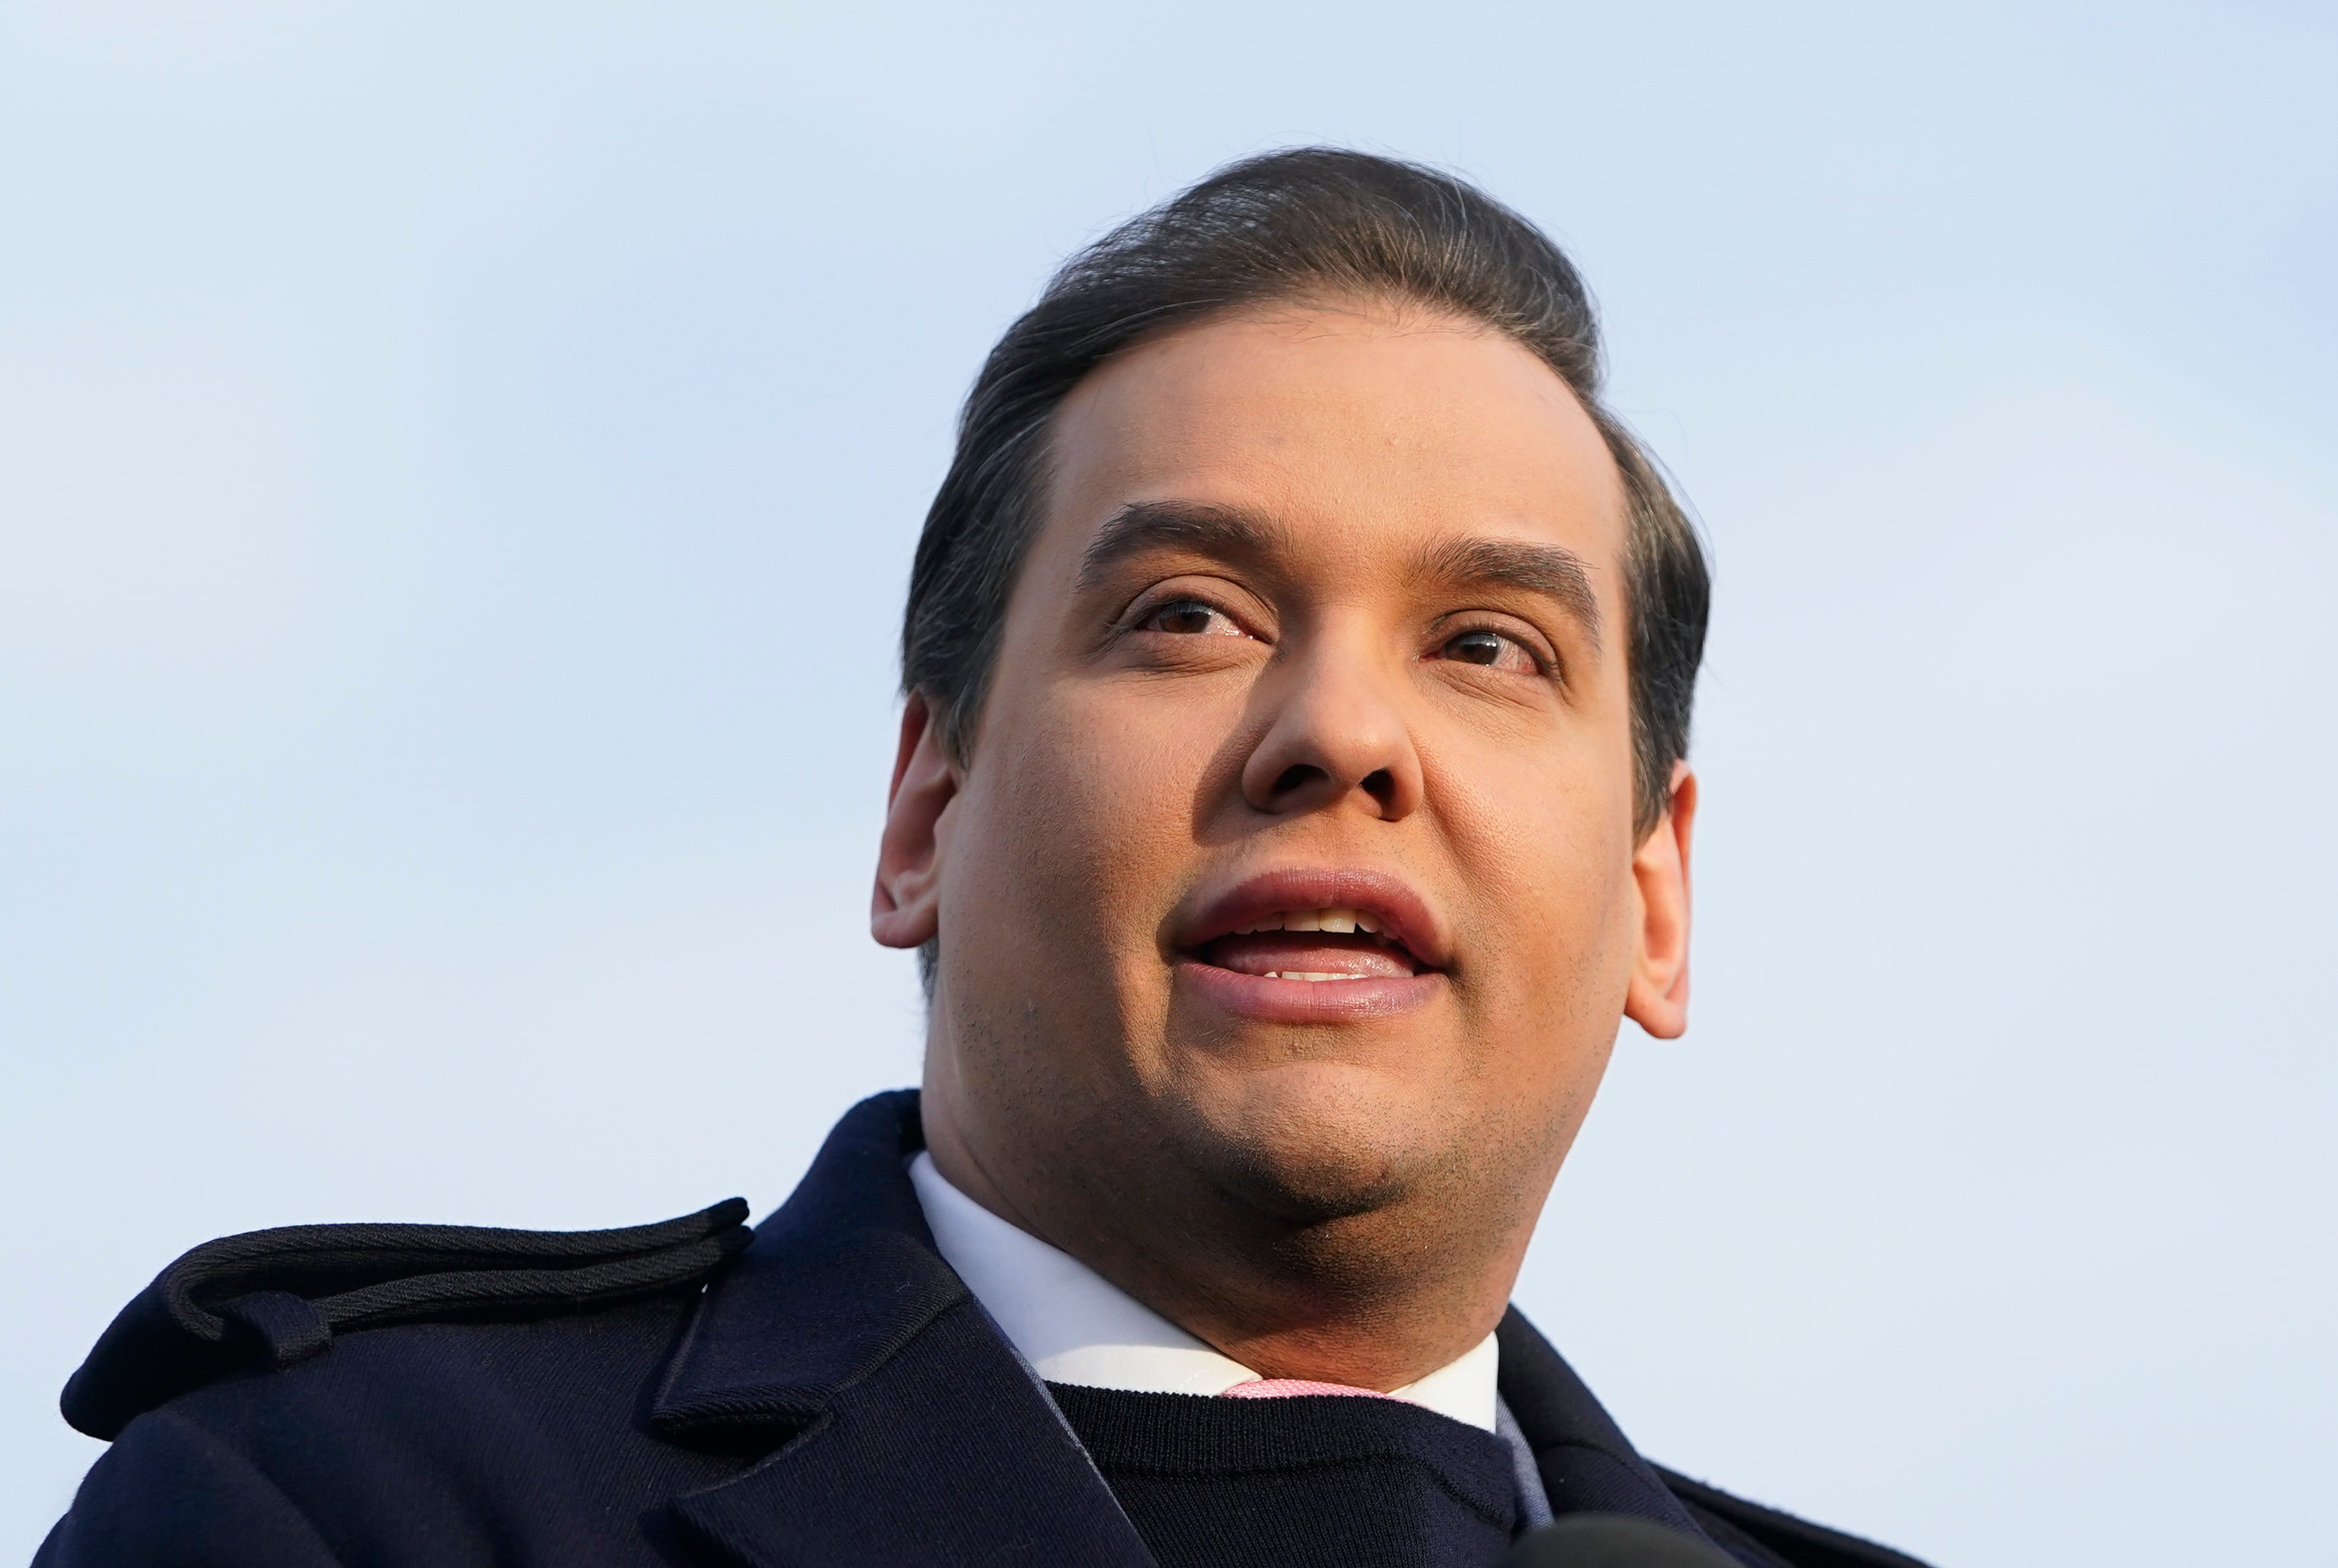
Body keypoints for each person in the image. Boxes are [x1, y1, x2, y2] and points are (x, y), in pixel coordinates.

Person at [38, 148, 1930, 1568]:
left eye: (1487, 648)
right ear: (924, 811)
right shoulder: (362, 1504)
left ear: (1652, 900)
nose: (1340, 736)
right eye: (1190, 617)